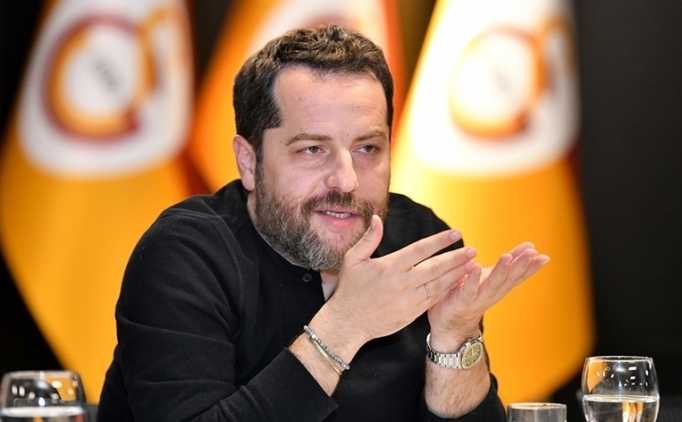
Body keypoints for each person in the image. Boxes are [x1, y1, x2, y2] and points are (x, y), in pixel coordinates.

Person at [97, 24, 549, 421]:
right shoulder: (185, 256)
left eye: (367, 148)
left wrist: (454, 340)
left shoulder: (420, 243)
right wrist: (345, 326)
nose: (346, 180)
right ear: (249, 162)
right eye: (312, 149)